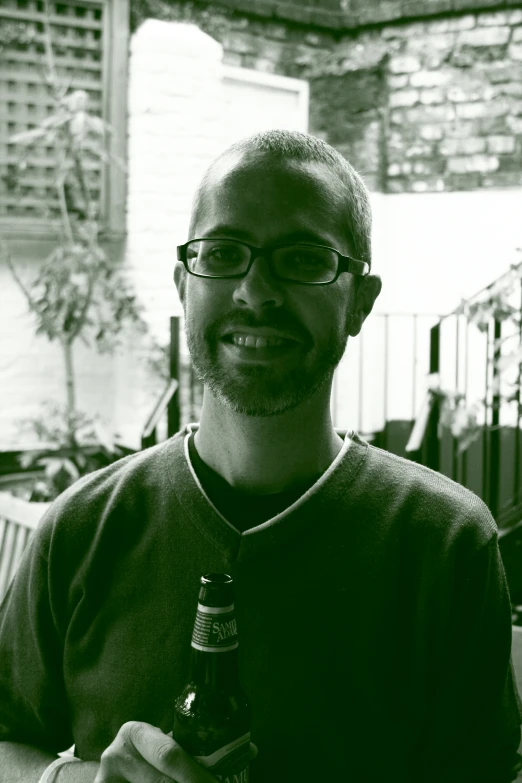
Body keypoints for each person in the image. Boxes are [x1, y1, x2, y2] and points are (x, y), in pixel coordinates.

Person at [0, 129, 521, 783]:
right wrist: (69, 780)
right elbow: (8, 739)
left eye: (302, 258)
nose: (255, 290)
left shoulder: (444, 544)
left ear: (360, 299)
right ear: (183, 283)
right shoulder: (81, 527)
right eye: (222, 253)